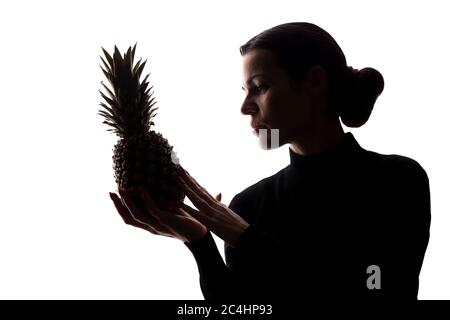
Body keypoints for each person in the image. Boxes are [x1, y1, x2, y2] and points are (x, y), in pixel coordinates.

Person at [109, 22, 431, 301]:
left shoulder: (398, 181)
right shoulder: (249, 205)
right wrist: (199, 241)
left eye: (259, 87)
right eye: (244, 91)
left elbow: (374, 288)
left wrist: (247, 239)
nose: (245, 107)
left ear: (315, 82)